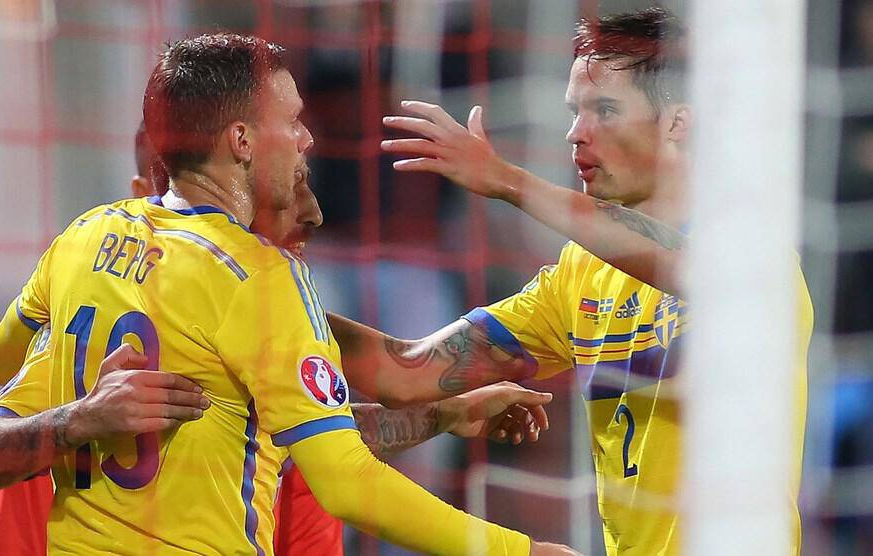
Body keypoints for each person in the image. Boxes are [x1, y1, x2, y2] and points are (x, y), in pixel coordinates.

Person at [0, 33, 575, 555]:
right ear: (242, 141)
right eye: (292, 122)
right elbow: (347, 483)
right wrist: (520, 550)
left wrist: (85, 406)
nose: (306, 139)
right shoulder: (261, 280)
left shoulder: (83, 239)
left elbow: (4, 361)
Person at [333, 7, 811, 555]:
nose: (575, 133)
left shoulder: (750, 246)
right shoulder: (580, 274)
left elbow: (700, 273)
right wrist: (274, 295)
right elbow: (405, 374)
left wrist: (508, 180)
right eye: (574, 111)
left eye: (604, 109)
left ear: (678, 121)